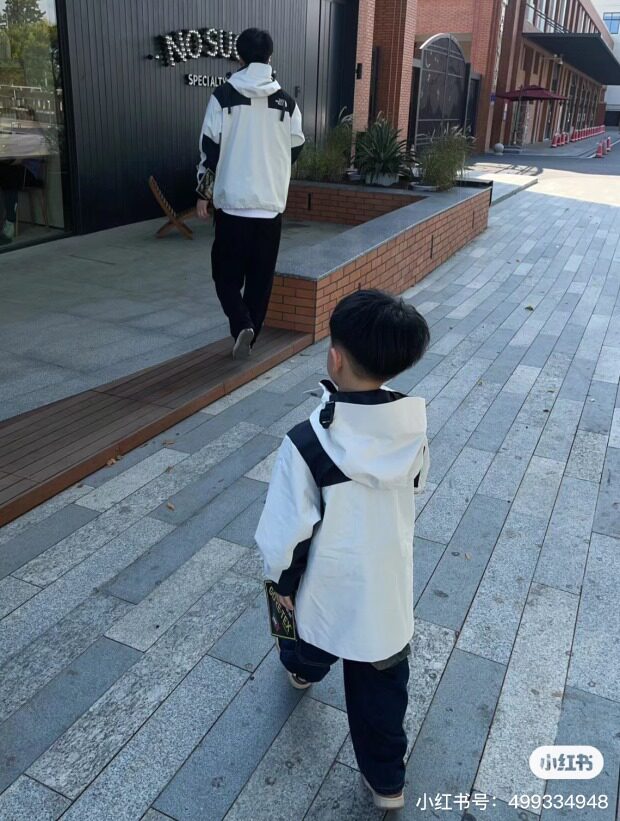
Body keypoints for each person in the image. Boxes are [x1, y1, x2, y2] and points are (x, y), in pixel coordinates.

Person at [255, 289, 431, 810]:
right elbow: (416, 484)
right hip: (385, 593)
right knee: (382, 693)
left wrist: (281, 584)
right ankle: (387, 783)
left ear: (334, 358)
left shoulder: (308, 443)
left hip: (326, 587)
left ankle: (302, 669)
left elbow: (286, 533)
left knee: (308, 637)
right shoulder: (411, 429)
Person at [196, 28, 305, 359]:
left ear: (239, 57)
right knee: (261, 280)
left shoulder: (223, 96)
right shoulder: (287, 103)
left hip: (232, 206)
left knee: (224, 275)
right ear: (270, 56)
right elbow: (296, 146)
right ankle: (251, 333)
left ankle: (241, 322)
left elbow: (210, 148)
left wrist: (203, 194)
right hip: (270, 207)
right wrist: (272, 169)